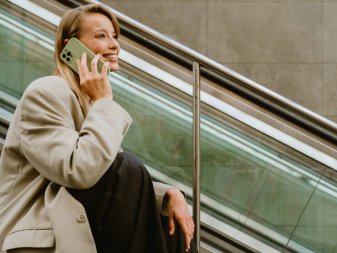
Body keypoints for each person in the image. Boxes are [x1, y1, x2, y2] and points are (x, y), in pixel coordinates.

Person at [0, 3, 197, 253]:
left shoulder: (89, 102)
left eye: (115, 36)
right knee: (128, 168)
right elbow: (80, 170)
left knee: (171, 217)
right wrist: (104, 101)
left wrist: (167, 195)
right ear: (71, 46)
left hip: (77, 220)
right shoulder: (46, 92)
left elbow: (104, 171)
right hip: (40, 235)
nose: (114, 44)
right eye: (101, 36)